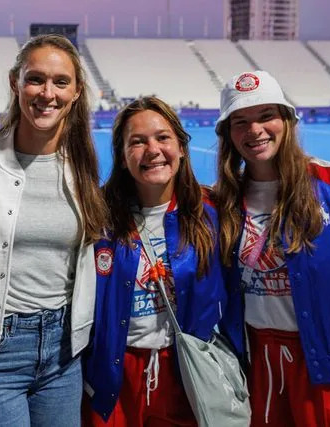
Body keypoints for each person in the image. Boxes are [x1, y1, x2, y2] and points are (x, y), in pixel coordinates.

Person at [214, 71, 330, 426]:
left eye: (266, 115)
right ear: (228, 134)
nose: (254, 130)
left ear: (288, 120)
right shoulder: (222, 201)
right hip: (255, 368)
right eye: (241, 121)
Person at [0, 34, 107, 426]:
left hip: (63, 353)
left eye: (61, 82)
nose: (47, 93)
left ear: (76, 92)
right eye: (35, 79)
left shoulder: (84, 168)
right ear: (15, 83)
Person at [82, 97, 228, 426]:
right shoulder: (97, 217)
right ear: (121, 156)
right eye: (137, 141)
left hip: (186, 375)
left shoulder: (212, 213)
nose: (152, 149)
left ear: (181, 147)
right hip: (114, 376)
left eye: (162, 137)